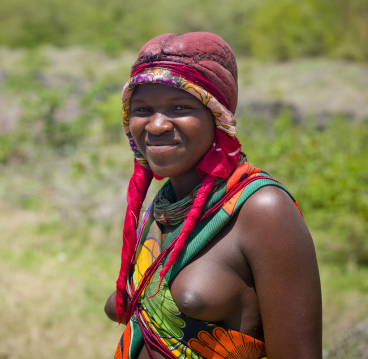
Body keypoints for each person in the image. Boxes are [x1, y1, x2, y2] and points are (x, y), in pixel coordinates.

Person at [104, 32, 322, 359]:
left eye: (180, 107)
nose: (157, 125)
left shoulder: (262, 210)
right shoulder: (162, 206)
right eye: (143, 108)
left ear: (218, 116)